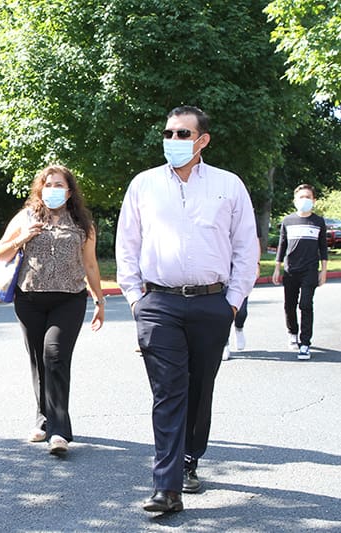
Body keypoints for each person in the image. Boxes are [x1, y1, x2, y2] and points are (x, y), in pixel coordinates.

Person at [115, 106, 258, 513]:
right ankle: (167, 487)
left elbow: (247, 247)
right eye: (168, 133)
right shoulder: (143, 185)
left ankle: (191, 457)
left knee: (199, 389)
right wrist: (134, 298)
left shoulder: (228, 186)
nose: (173, 140)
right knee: (168, 392)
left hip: (212, 302)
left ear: (202, 140)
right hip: (158, 303)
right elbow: (127, 245)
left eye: (182, 134)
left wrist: (232, 303)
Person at [0, 164, 105, 456]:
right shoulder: (26, 217)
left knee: (55, 356)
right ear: (39, 188)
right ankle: (43, 420)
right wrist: (23, 237)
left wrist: (99, 300)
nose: (52, 190)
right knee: (38, 360)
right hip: (30, 299)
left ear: (69, 192)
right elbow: (1, 252)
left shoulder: (83, 224)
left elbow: (91, 264)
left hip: (70, 298)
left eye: (59, 185)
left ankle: (60, 430)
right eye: (48, 184)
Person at [272, 184, 328, 360]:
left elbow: (323, 248)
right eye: (301, 197)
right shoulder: (288, 221)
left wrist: (324, 271)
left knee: (305, 304)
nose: (305, 200)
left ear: (314, 200)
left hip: (310, 271)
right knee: (289, 305)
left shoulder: (318, 222)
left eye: (308, 197)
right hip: (290, 271)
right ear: (295, 200)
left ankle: (305, 344)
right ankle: (292, 332)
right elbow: (282, 245)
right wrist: (277, 268)